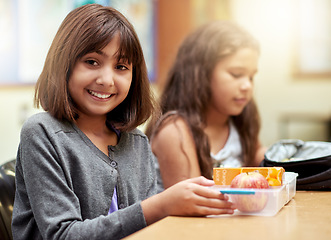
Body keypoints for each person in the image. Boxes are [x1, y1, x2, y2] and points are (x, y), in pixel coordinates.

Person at [11, 4, 235, 240]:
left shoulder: (136, 141)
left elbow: (151, 230)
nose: (107, 80)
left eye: (120, 67)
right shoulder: (41, 132)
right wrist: (160, 206)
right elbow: (63, 235)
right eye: (92, 62)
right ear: (63, 64)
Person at [146, 21, 266, 189]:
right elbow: (194, 205)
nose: (247, 85)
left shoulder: (240, 123)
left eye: (251, 77)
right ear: (200, 74)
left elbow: (261, 159)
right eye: (236, 74)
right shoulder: (175, 131)